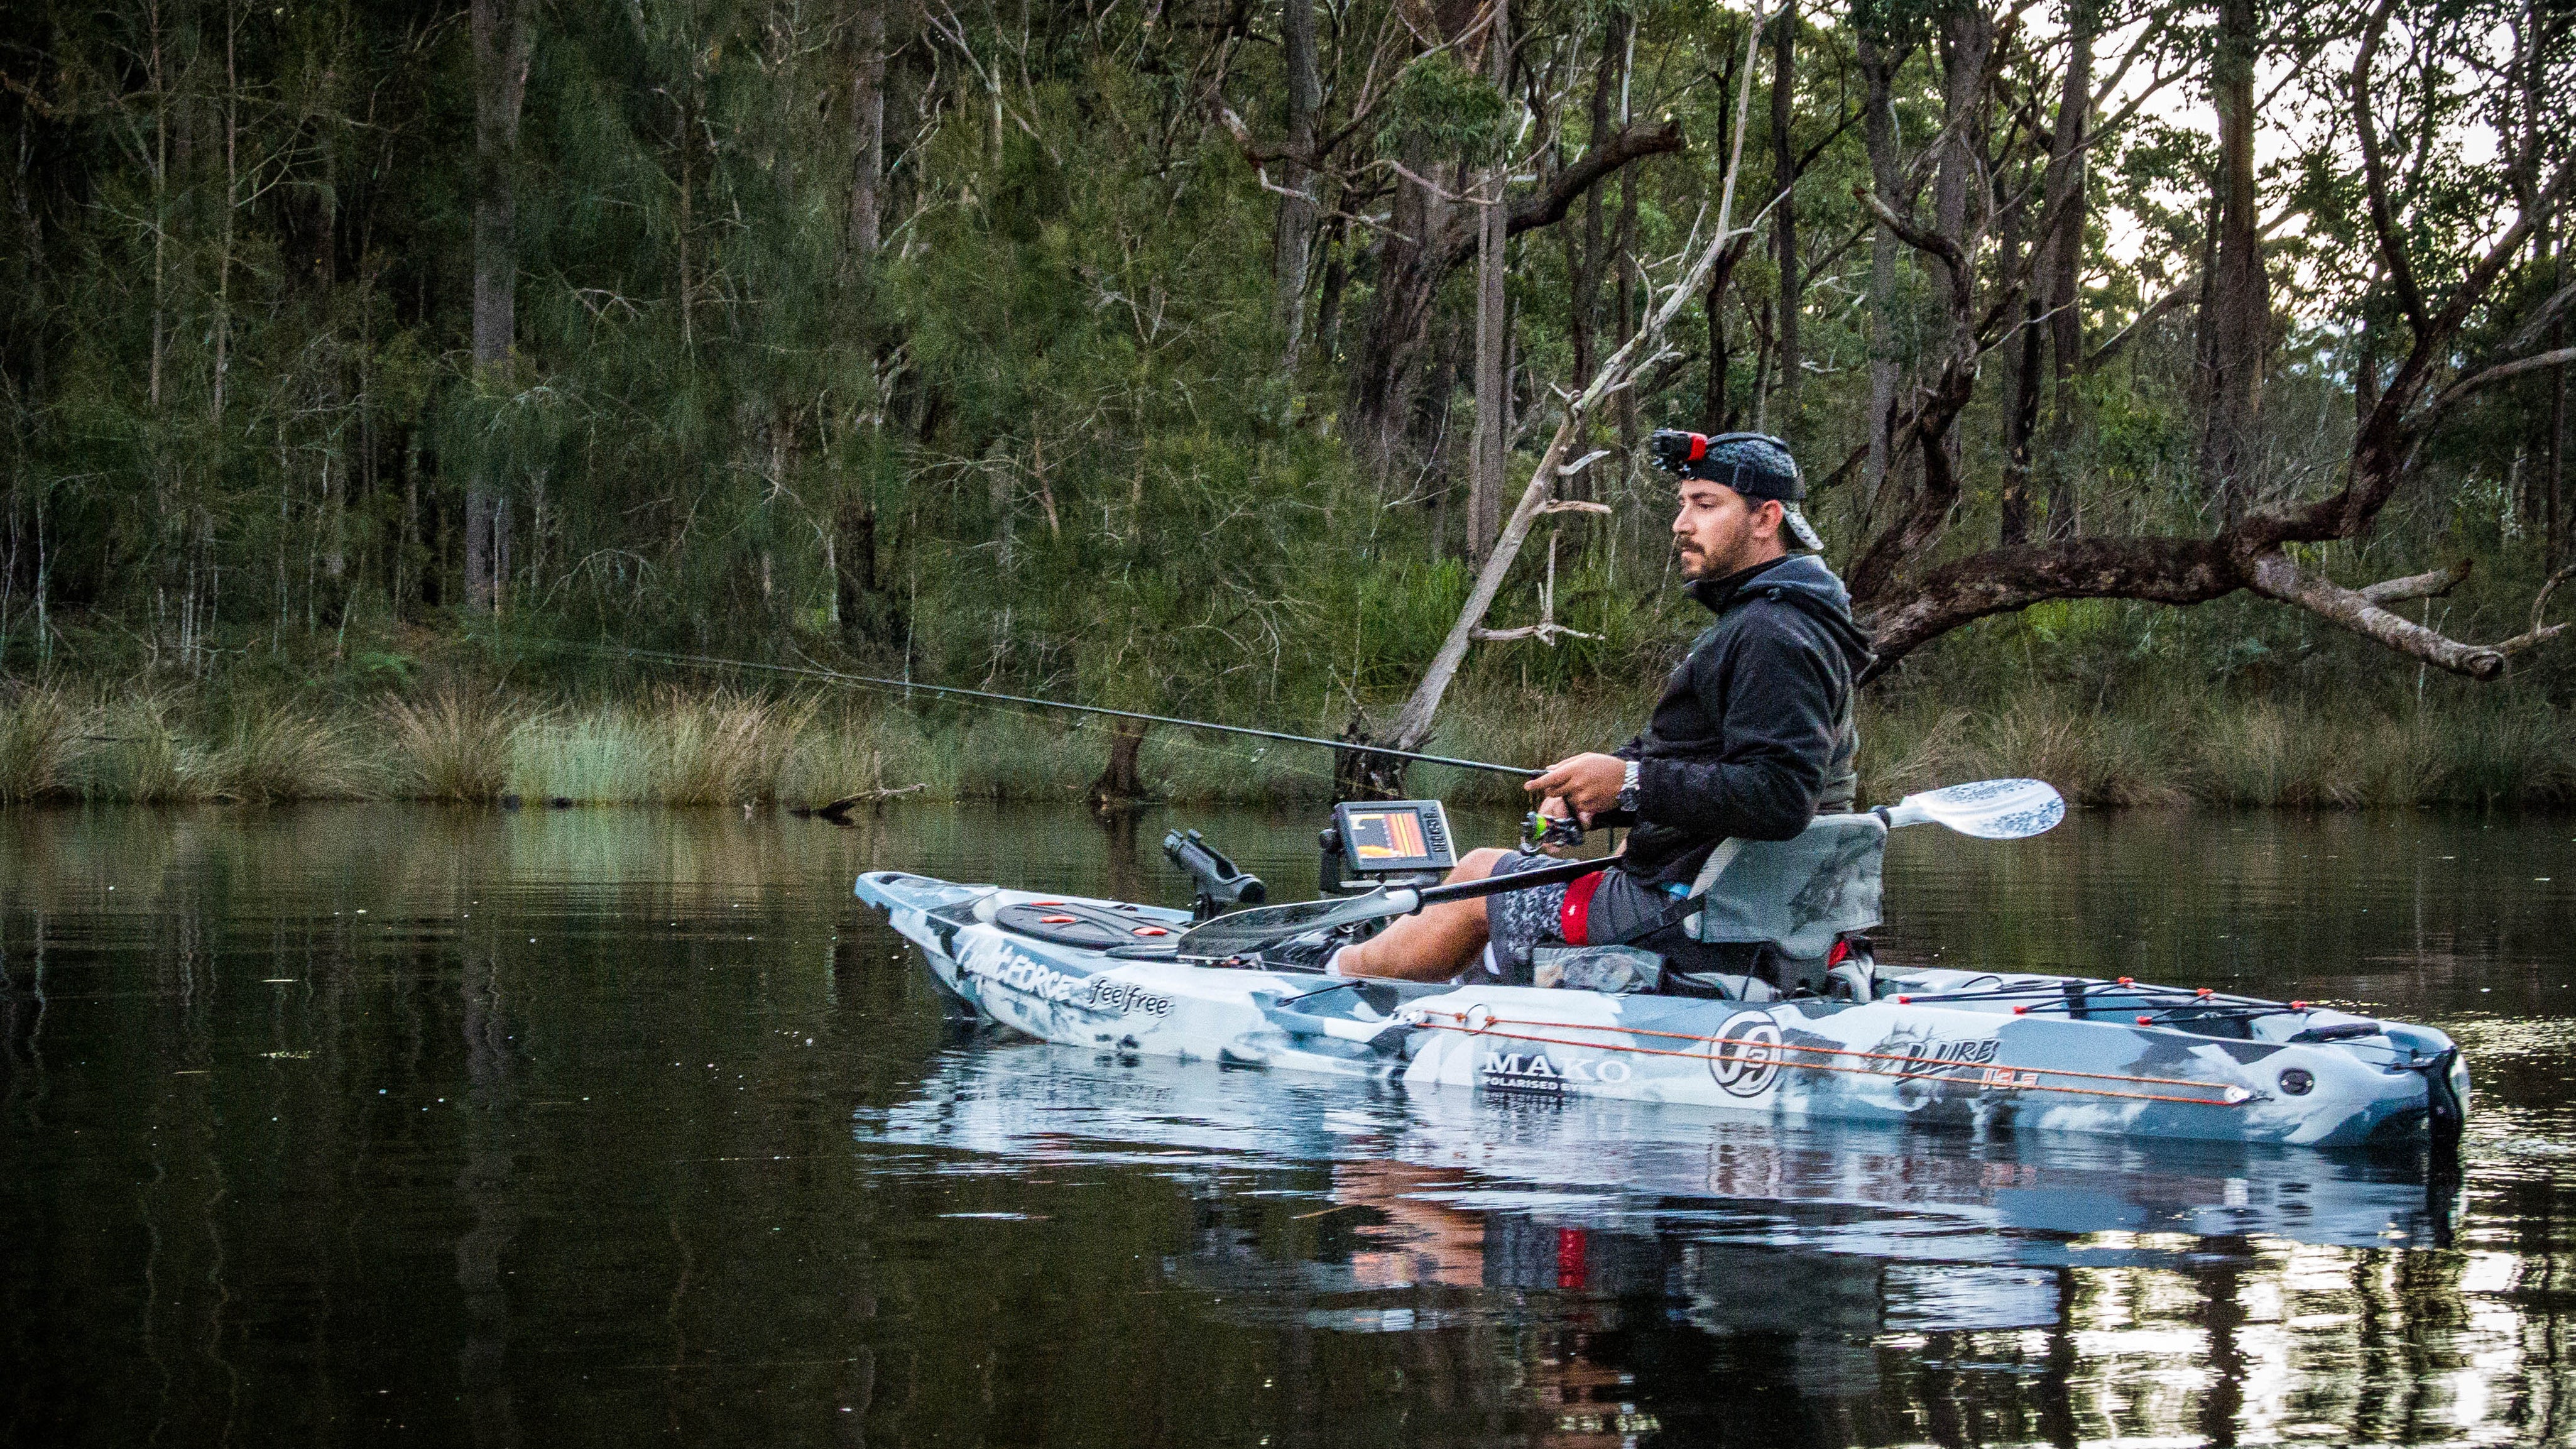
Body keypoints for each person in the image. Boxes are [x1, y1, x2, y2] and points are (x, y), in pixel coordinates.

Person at [1329, 430, 1874, 985]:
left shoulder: (1770, 633)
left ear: (1766, 518)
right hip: (1749, 916)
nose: (1681, 524)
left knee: (1478, 877)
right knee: (1514, 877)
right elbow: (1703, 761)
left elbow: (1780, 796)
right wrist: (1599, 794)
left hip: (1687, 920)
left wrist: (1629, 784)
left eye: (1705, 505)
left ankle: (1329, 978)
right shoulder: (1790, 622)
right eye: (1682, 504)